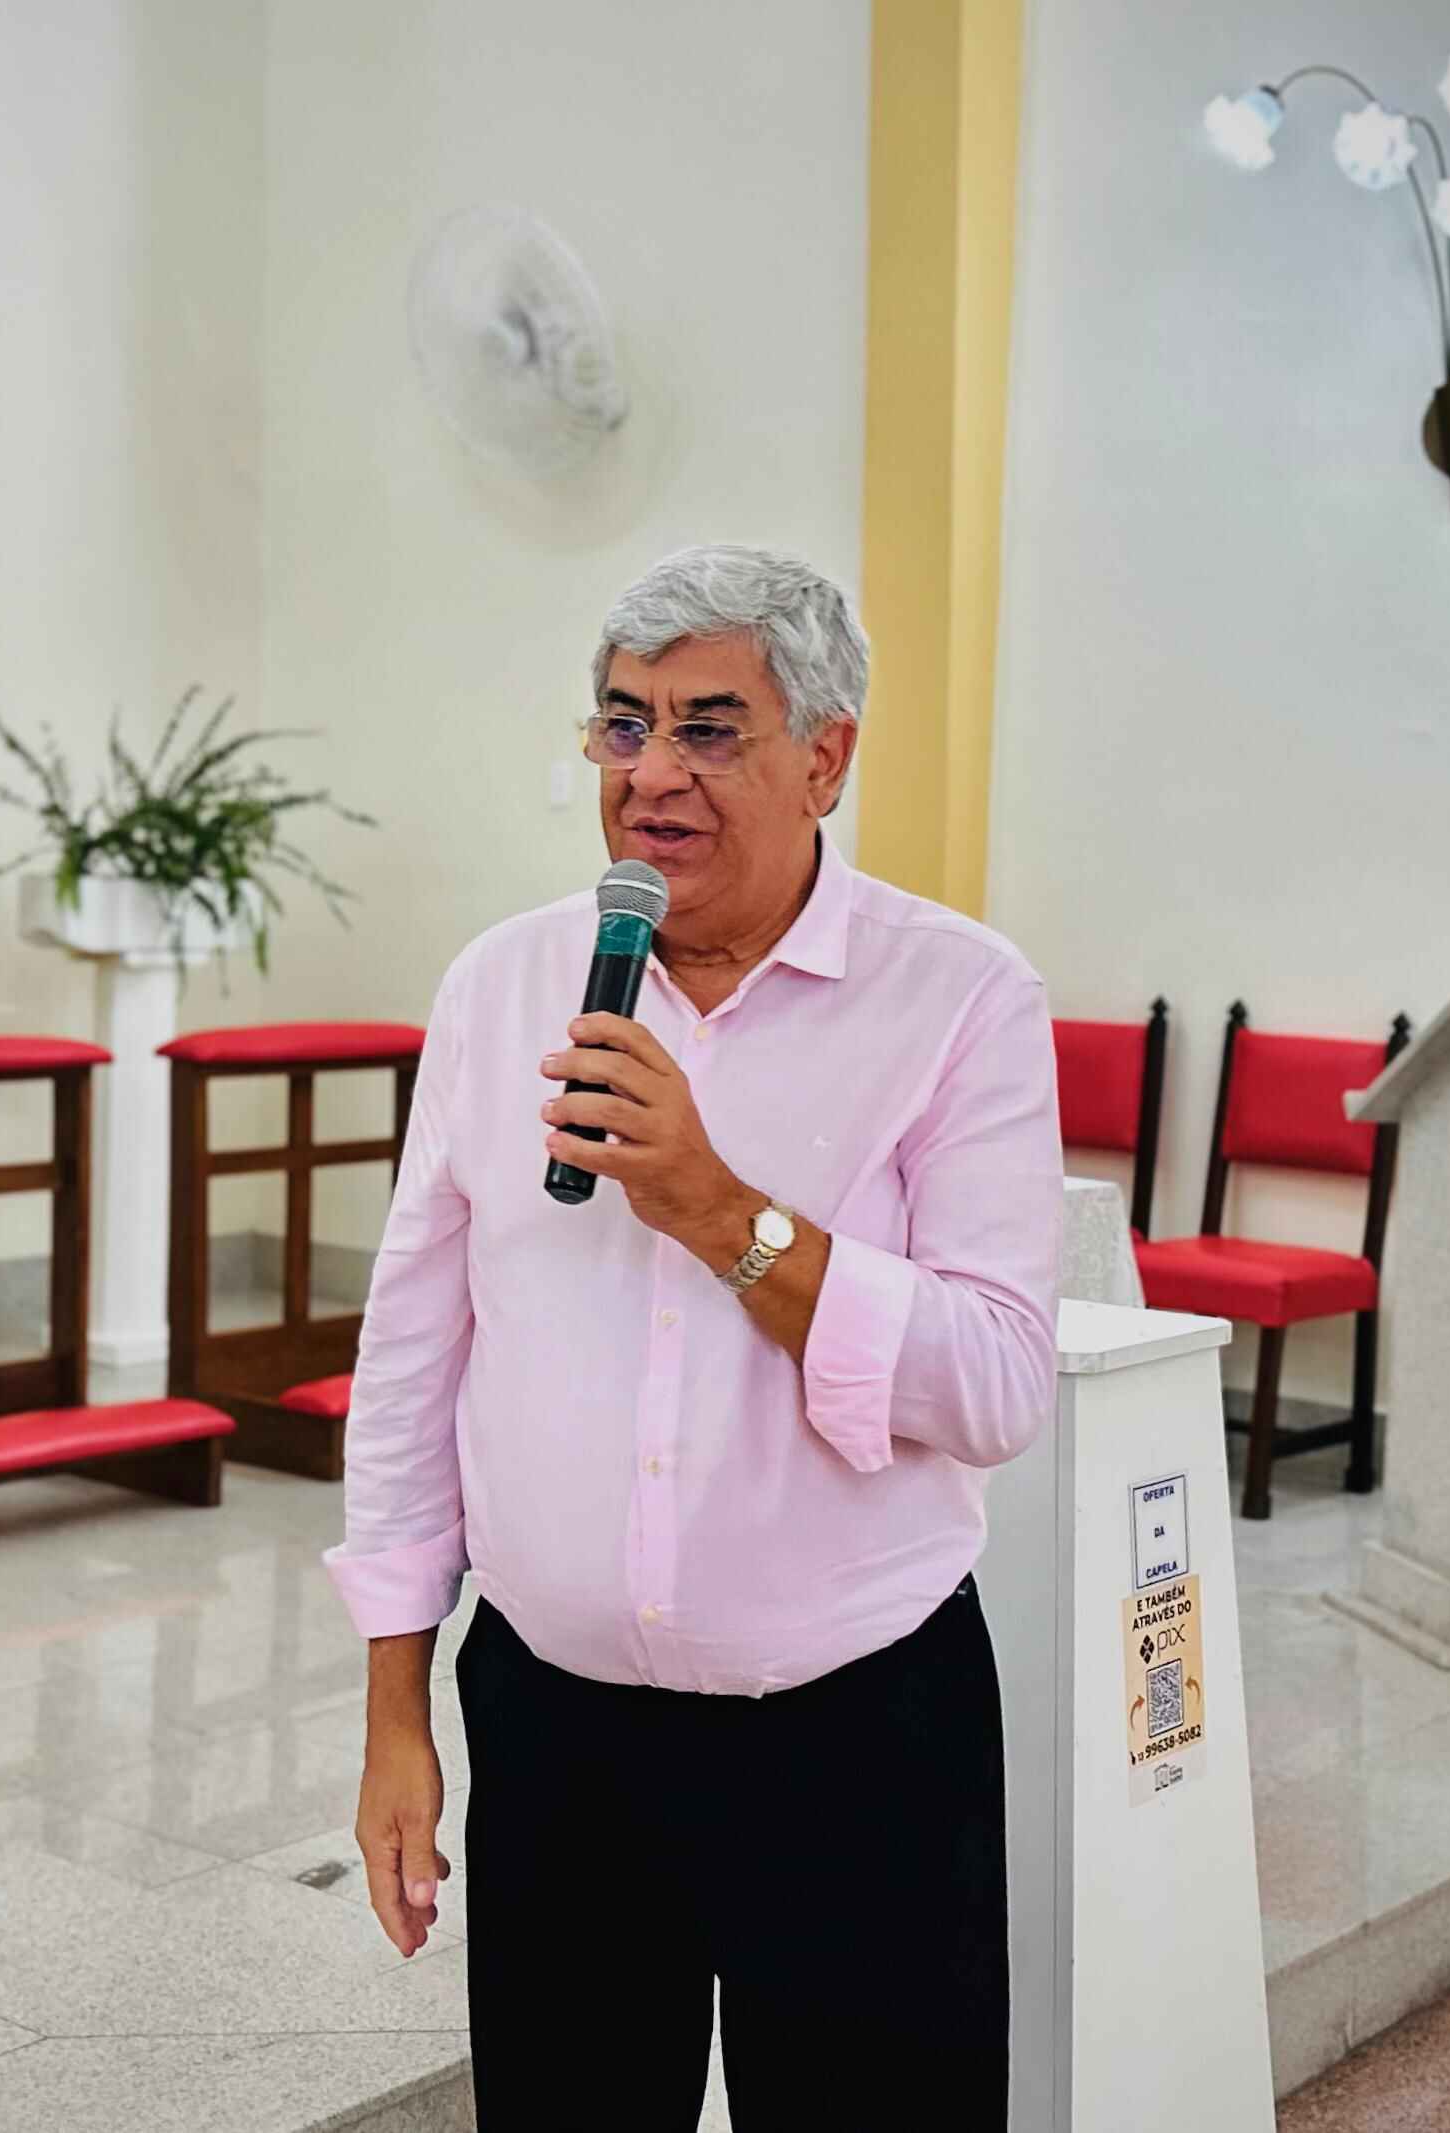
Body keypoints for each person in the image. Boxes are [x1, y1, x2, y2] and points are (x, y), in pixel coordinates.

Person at [324, 543, 1060, 2128]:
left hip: (860, 1732)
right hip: (558, 1732)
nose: (650, 773)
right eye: (622, 723)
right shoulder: (501, 985)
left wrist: (724, 1210)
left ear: (827, 757)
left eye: (709, 729)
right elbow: (413, 1361)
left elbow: (998, 1381)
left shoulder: (958, 997)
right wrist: (395, 1713)